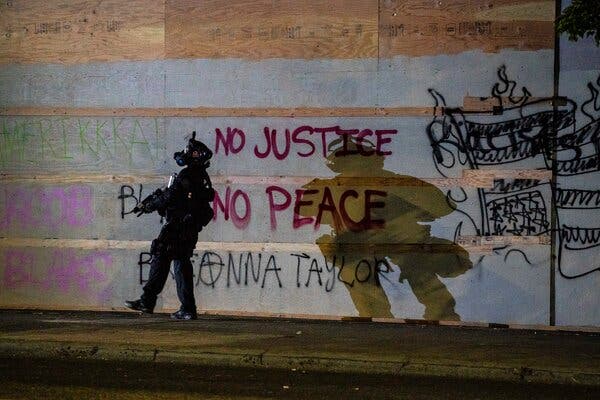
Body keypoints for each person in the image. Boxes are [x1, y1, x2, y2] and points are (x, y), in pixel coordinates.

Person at [125, 132, 215, 320]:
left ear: (197, 154)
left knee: (161, 254)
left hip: (177, 226)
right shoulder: (200, 176)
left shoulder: (188, 174)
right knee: (180, 263)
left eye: (190, 151)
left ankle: (148, 301)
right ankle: (186, 308)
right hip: (189, 227)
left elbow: (170, 196)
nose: (186, 153)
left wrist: (149, 205)